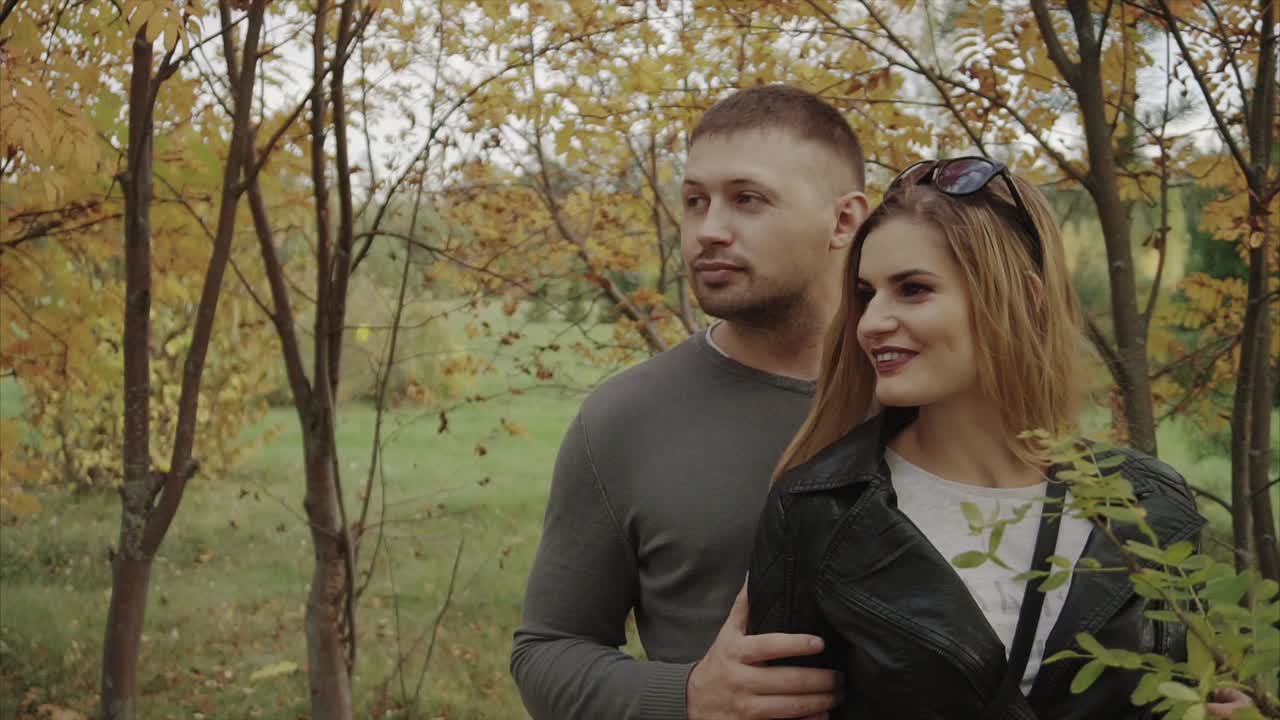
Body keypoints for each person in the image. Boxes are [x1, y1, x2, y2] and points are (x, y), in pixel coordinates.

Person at [746, 157, 1253, 719]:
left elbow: (1185, 691)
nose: (871, 322)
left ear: (1024, 295)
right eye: (866, 295)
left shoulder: (1152, 504)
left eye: (913, 289)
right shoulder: (819, 510)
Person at [510, 84, 869, 720]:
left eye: (747, 200)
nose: (708, 231)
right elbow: (547, 650)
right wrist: (688, 697)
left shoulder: (923, 394)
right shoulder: (625, 420)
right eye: (695, 201)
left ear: (843, 221)